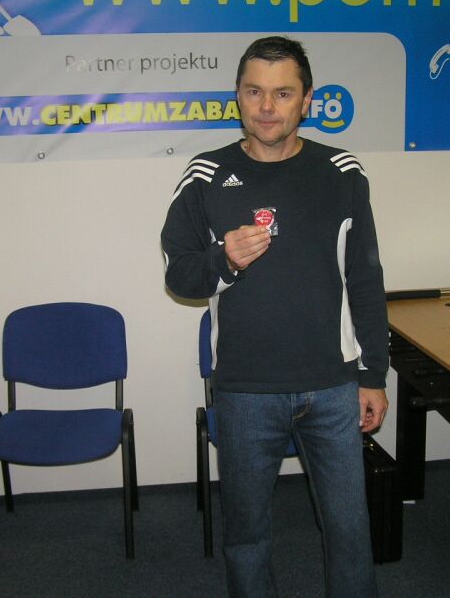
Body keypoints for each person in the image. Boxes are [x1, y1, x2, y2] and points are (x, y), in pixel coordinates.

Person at [161, 36, 389, 598]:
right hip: (245, 389)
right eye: (254, 92)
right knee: (246, 536)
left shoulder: (342, 172)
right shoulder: (205, 175)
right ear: (237, 97)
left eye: (283, 93)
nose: (267, 106)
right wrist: (224, 260)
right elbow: (179, 275)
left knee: (350, 531)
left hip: (333, 386)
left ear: (307, 100)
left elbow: (364, 278)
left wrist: (374, 375)